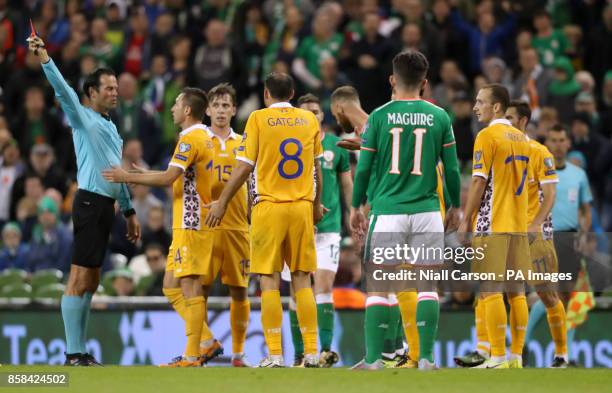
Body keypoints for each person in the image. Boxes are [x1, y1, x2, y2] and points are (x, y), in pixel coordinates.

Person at [27, 34, 140, 367]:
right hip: (89, 204)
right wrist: (45, 57)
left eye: (116, 88)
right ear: (91, 93)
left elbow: (116, 172)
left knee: (91, 279)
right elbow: (62, 90)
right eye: (108, 88)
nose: (115, 92)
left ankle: (80, 351)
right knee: (78, 278)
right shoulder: (82, 118)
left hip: (105, 208)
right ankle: (73, 353)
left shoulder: (109, 127)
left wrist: (130, 210)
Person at [350, 50, 461, 370]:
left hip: (387, 211)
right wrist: (453, 205)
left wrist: (357, 206)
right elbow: (452, 170)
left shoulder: (379, 117)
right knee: (427, 285)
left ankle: (373, 359)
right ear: (425, 83)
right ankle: (424, 357)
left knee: (379, 286)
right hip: (427, 211)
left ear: (392, 80)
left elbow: (365, 168)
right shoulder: (440, 117)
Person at [205, 72, 325, 368]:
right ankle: (311, 352)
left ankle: (274, 355)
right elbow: (316, 170)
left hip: (268, 207)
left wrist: (222, 201)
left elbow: (244, 167)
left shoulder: (257, 119)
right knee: (302, 279)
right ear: (293, 93)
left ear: (266, 94)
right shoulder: (309, 121)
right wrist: (317, 205)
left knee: (269, 280)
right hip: (301, 207)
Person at [103, 88, 218, 367]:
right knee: (170, 286)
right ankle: (206, 341)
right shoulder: (204, 137)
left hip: (191, 222)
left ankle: (193, 354)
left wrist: (127, 176)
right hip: (185, 223)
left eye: (177, 103)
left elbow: (169, 179)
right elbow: (177, 176)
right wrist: (145, 174)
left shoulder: (191, 139)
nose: (172, 108)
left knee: (189, 285)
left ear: (188, 110)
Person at [458, 84, 531, 369]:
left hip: (493, 222)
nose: (476, 107)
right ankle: (515, 357)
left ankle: (497, 355)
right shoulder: (522, 138)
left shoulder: (487, 135)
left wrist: (466, 218)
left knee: (490, 290)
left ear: (496, 107)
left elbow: (478, 181)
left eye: (480, 102)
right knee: (516, 291)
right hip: (518, 224)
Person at [283, 93, 353, 368]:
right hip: (297, 226)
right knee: (295, 292)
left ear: (322, 115)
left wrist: (353, 212)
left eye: (316, 110)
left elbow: (346, 183)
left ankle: (324, 351)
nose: (312, 114)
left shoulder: (336, 146)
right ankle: (300, 354)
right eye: (306, 111)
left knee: (323, 287)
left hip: (329, 228)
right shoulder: (289, 145)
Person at [506, 101, 568, 368]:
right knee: (514, 293)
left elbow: (550, 193)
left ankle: (562, 354)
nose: (504, 122)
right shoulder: (501, 150)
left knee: (547, 294)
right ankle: (515, 356)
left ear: (523, 121)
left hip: (535, 233)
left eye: (509, 117)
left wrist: (536, 224)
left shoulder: (540, 152)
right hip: (508, 231)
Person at [201, 83, 251, 367]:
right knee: (202, 289)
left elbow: (253, 184)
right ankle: (201, 347)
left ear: (233, 110)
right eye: (216, 105)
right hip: (206, 228)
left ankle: (239, 353)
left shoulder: (244, 142)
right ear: (207, 110)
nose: (221, 110)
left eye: (225, 105)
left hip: (236, 227)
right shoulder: (197, 140)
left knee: (239, 290)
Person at [544, 124, 593, 365]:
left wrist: (584, 234)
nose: (558, 145)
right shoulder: (538, 171)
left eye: (561, 140)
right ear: (547, 143)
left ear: (568, 143)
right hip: (545, 237)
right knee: (546, 294)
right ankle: (519, 348)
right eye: (553, 140)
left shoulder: (578, 174)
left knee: (567, 296)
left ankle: (564, 354)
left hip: (570, 238)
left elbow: (586, 209)